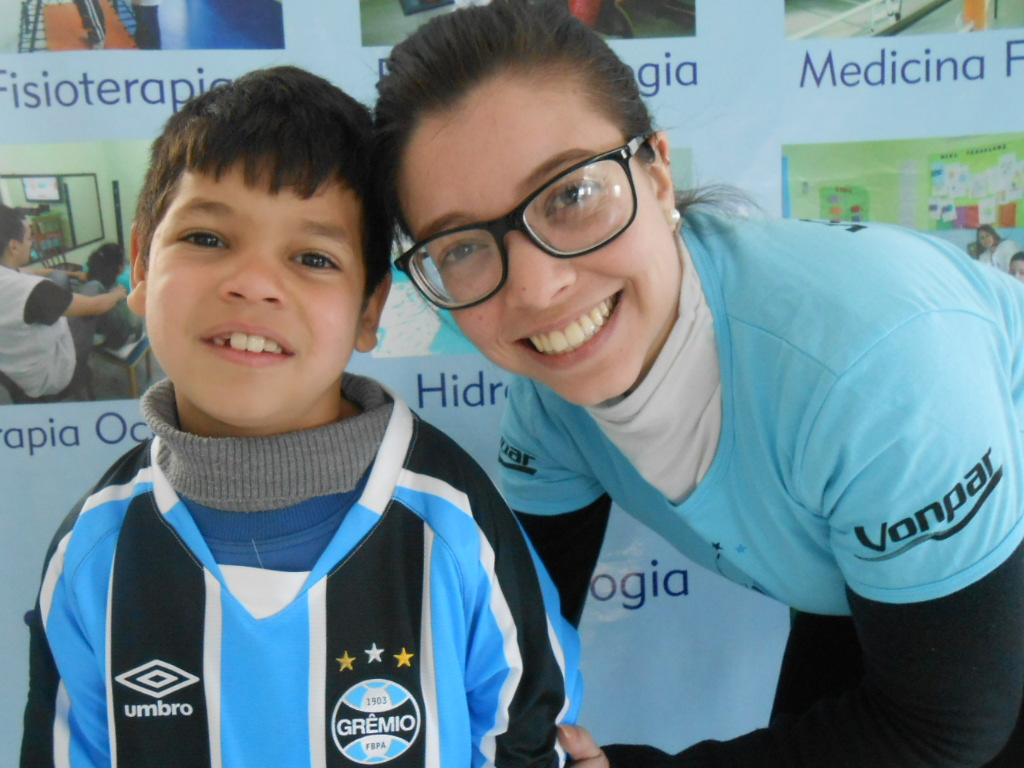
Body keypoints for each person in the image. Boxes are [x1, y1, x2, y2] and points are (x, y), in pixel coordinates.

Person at [373, 1, 1024, 765]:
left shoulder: (870, 371)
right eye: (461, 248)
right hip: (869, 583)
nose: (538, 288)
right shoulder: (549, 407)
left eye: (571, 195)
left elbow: (949, 727)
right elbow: (518, 644)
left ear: (656, 174)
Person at [20, 66, 581, 767]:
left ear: (371, 309)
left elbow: (527, 731)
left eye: (313, 256)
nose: (253, 283)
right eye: (207, 238)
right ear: (140, 261)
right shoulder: (94, 553)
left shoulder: (453, 521)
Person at [0, 205, 125, 400]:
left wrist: (75, 274)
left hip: (13, 363)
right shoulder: (34, 291)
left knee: (58, 276)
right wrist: (117, 294)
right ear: (14, 245)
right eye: (29, 238)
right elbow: (96, 305)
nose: (31, 243)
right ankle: (116, 333)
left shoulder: (6, 274)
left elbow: (37, 272)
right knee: (93, 289)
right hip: (52, 373)